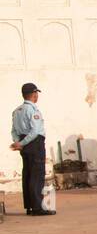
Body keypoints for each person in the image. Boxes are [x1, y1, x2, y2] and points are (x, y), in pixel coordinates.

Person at [10, 83, 54, 216]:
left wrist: (18, 142)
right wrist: (22, 143)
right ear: (34, 94)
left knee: (28, 174)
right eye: (37, 93)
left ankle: (29, 206)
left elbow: (13, 131)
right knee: (37, 175)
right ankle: (37, 207)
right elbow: (35, 131)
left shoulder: (17, 111)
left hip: (24, 143)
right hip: (34, 144)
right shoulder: (33, 110)